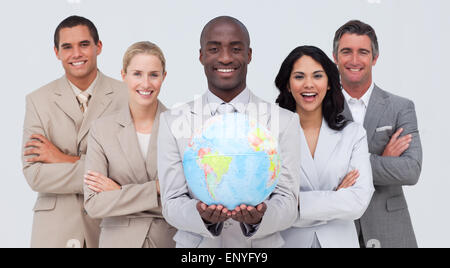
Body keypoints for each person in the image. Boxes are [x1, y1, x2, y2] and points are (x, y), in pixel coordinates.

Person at [157, 16, 301, 248]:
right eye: (214, 49)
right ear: (201, 55)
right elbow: (171, 202)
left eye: (235, 49)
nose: (225, 57)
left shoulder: (284, 122)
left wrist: (261, 218)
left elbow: (287, 201)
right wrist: (201, 216)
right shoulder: (172, 121)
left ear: (249, 55)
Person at [21, 15, 128, 248]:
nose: (76, 54)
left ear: (98, 47)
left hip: (112, 226)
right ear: (56, 52)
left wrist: (61, 159)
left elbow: (135, 169)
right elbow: (35, 175)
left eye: (84, 44)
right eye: (67, 47)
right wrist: (102, 172)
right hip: (54, 230)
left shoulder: (127, 96)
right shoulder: (38, 101)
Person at [333, 20, 423, 248]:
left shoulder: (400, 107)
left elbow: (411, 170)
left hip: (391, 229)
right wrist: (383, 158)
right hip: (337, 229)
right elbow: (318, 172)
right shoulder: (321, 108)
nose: (354, 60)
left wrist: (349, 163)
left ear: (374, 58)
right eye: (346, 52)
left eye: (362, 52)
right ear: (335, 57)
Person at [275, 45, 374, 248]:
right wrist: (336, 196)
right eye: (299, 77)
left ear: (329, 83)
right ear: (287, 84)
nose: (309, 84)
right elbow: (268, 207)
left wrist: (297, 202)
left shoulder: (353, 134)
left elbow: (358, 202)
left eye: (318, 76)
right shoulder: (269, 136)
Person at [83, 41, 176, 248]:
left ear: (164, 77)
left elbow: (185, 204)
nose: (146, 83)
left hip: (167, 242)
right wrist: (156, 189)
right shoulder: (101, 130)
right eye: (137, 74)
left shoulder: (180, 128)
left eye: (154, 74)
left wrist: (119, 192)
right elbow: (94, 205)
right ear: (123, 75)